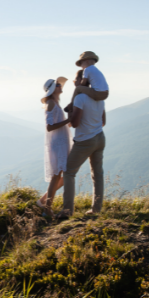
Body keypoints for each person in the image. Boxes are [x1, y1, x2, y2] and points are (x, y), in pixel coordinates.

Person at [58, 69, 106, 219]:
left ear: (82, 80)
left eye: (75, 80)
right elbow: (103, 122)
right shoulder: (100, 98)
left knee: (69, 172)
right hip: (100, 137)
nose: (74, 82)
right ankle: (96, 209)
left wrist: (70, 116)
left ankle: (67, 211)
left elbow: (75, 123)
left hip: (85, 140)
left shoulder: (80, 98)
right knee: (97, 174)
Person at [37, 77, 72, 217]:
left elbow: (60, 123)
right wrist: (68, 120)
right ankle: (47, 208)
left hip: (61, 142)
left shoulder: (55, 103)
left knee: (64, 175)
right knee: (57, 176)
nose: (60, 86)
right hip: (57, 143)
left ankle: (43, 201)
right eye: (58, 85)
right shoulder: (51, 103)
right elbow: (49, 126)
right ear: (53, 89)